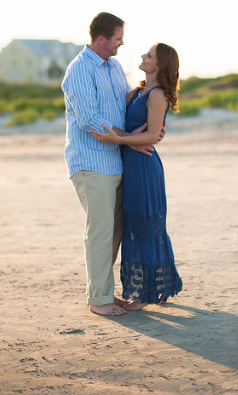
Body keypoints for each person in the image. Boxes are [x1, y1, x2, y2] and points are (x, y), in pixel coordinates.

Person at [62, 12, 160, 317]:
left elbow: (127, 100)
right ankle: (99, 299)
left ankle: (104, 291)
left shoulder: (114, 66)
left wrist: (153, 124)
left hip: (117, 162)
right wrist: (134, 140)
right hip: (91, 163)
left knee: (116, 232)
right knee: (101, 232)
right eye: (117, 38)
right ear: (101, 39)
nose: (121, 43)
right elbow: (91, 121)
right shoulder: (79, 70)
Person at [91, 43, 183, 310]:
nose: (143, 56)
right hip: (130, 163)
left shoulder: (158, 95)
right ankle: (151, 290)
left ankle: (146, 295)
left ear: (160, 65)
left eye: (149, 55)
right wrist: (118, 136)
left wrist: (119, 139)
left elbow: (153, 135)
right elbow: (130, 130)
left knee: (146, 226)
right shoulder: (138, 91)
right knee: (134, 225)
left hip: (144, 166)